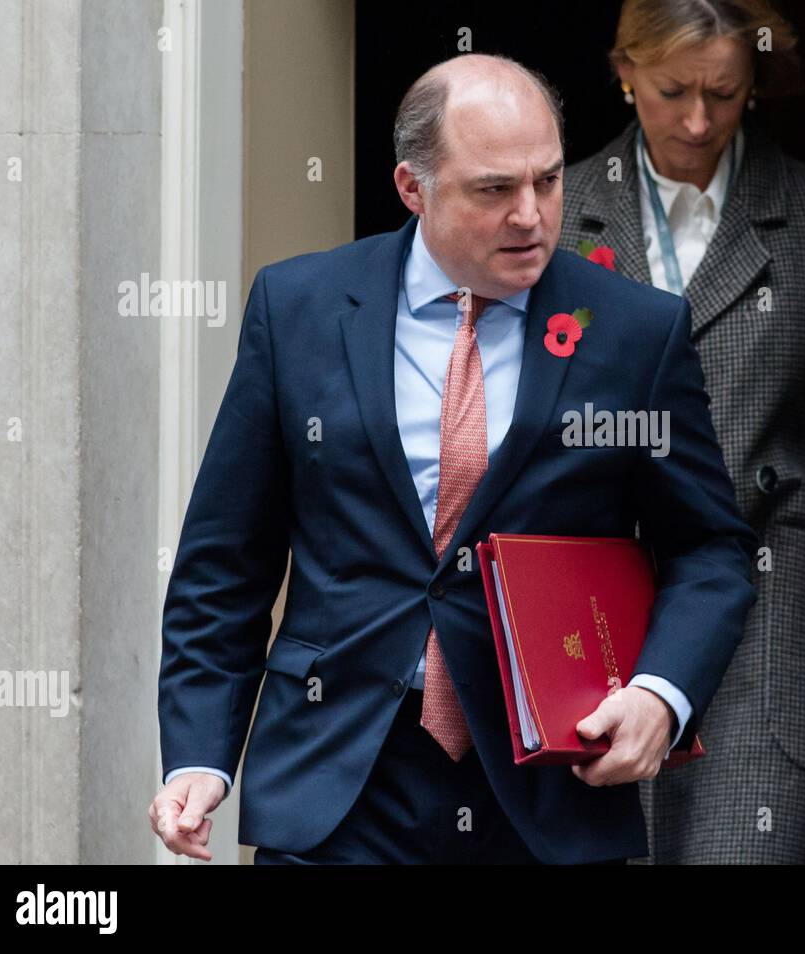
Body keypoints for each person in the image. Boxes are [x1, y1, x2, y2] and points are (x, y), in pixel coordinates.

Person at [149, 53, 757, 865]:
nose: (532, 216)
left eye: (546, 181)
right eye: (494, 189)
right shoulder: (297, 308)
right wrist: (199, 755)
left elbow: (710, 549)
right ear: (412, 187)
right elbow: (225, 560)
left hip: (548, 788)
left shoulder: (635, 331)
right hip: (337, 785)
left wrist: (660, 694)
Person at [559, 0, 805, 863]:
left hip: (775, 631)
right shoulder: (556, 210)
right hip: (595, 622)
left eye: (725, 95)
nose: (699, 121)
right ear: (623, 71)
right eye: (672, 91)